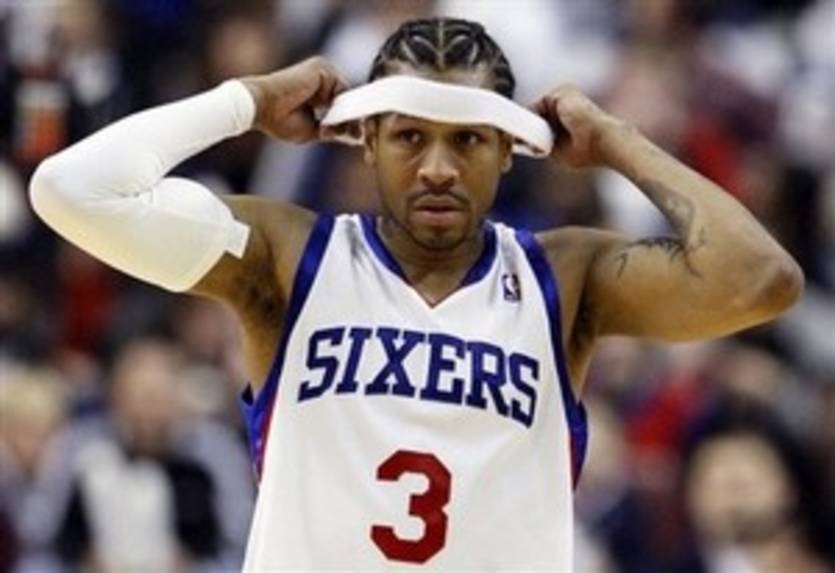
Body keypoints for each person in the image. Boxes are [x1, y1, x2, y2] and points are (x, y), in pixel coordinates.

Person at [28, 16, 803, 571]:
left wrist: (618, 142)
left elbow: (761, 279)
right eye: (408, 136)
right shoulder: (285, 259)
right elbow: (69, 189)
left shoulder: (566, 278)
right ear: (365, 140)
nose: (436, 167)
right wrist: (250, 101)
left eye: (466, 139)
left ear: (508, 149)